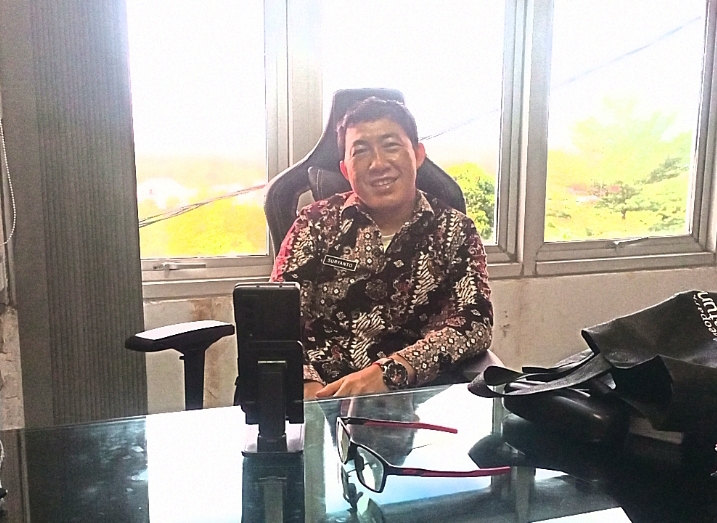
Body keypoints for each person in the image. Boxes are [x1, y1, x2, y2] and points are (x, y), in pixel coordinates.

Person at [270, 96, 493, 399]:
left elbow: (476, 323)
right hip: (319, 397)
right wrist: (308, 388)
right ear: (345, 169)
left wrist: (393, 371)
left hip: (411, 402)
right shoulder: (314, 223)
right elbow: (276, 319)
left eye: (391, 146)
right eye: (360, 151)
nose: (378, 164)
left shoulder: (455, 230)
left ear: (418, 154)